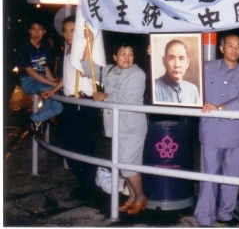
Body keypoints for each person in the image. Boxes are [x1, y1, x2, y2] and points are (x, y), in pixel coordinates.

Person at [83, 30, 148, 215]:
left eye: (130, 53)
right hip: (115, 127)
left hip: (132, 128)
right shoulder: (110, 70)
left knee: (128, 165)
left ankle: (141, 196)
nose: (127, 57)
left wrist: (104, 96)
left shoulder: (138, 74)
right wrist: (89, 41)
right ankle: (132, 197)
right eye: (122, 53)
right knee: (122, 165)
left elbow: (125, 98)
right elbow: (87, 68)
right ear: (115, 56)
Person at [194, 34, 239, 227]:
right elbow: (185, 77)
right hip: (211, 131)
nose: (234, 49)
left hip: (234, 131)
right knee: (209, 176)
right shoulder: (206, 67)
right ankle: (204, 217)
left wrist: (220, 107)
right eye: (230, 45)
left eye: (238, 46)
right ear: (222, 48)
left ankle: (226, 214)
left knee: (232, 176)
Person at [42, 16, 98, 196]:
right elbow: (67, 76)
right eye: (65, 30)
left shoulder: (87, 49)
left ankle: (89, 184)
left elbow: (84, 72)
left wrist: (90, 42)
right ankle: (85, 182)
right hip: (71, 103)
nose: (68, 34)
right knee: (69, 144)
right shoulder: (68, 50)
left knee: (83, 144)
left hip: (82, 102)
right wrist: (54, 91)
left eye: (72, 30)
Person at [16, 19, 63, 136]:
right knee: (54, 96)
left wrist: (54, 82)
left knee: (57, 103)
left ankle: (31, 120)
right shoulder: (24, 48)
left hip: (42, 80)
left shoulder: (45, 46)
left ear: (44, 31)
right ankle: (44, 118)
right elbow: (31, 72)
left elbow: (44, 66)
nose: (37, 33)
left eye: (40, 29)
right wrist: (52, 84)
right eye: (33, 29)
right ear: (29, 31)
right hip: (28, 81)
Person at [154, 40, 200, 104]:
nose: (177, 65)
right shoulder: (154, 87)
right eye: (172, 58)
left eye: (181, 59)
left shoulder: (193, 89)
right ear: (164, 61)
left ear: (187, 63)